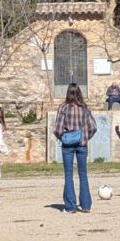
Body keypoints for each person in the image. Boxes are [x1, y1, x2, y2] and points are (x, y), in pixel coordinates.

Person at [53, 83, 98, 213]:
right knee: (83, 174)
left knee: (68, 174)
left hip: (67, 144)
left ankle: (70, 206)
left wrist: (62, 137)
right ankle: (85, 205)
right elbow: (93, 126)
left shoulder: (63, 107)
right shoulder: (84, 108)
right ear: (79, 93)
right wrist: (85, 137)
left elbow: (57, 128)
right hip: (82, 144)